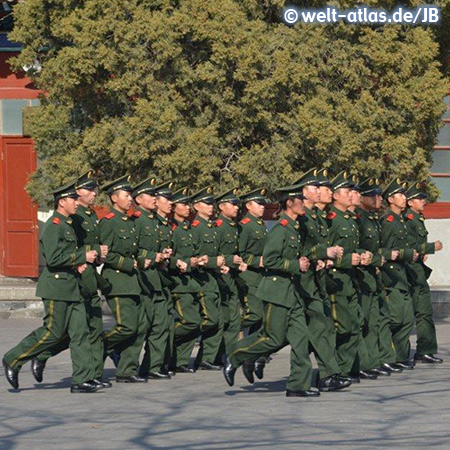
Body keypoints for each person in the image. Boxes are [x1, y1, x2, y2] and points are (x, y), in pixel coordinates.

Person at [3, 181, 101, 393]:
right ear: (62, 201)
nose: (77, 203)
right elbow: (54, 258)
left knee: (80, 332)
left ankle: (82, 379)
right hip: (56, 287)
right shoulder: (54, 225)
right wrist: (82, 256)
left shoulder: (68, 224)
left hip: (72, 286)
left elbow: (67, 255)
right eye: (73, 199)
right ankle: (13, 359)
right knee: (53, 333)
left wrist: (80, 261)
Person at [223, 182, 319, 398]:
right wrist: (295, 265)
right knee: (273, 338)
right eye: (300, 200)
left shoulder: (294, 228)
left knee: (301, 338)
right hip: (276, 291)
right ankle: (234, 356)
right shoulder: (280, 229)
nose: (304, 203)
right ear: (290, 203)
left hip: (292, 293)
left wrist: (304, 259)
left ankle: (297, 385)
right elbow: (270, 259)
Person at [31, 170, 112, 389]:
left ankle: (91, 375)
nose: (93, 194)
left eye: (94, 190)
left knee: (91, 330)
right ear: (75, 194)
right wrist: (92, 251)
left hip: (87, 275)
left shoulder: (91, 215)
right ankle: (41, 354)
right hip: (74, 276)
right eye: (88, 190)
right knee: (71, 331)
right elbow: (71, 249)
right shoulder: (73, 218)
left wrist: (98, 254)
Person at [296, 169, 351, 391]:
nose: (321, 192)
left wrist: (323, 258)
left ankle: (329, 375)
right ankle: (250, 355)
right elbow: (298, 249)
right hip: (304, 281)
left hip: (318, 279)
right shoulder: (302, 218)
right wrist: (318, 255)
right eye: (317, 188)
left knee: (322, 328)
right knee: (287, 333)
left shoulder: (318, 217)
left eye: (323, 188)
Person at [100, 175, 148, 383]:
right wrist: (128, 264)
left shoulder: (129, 222)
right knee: (127, 326)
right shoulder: (108, 222)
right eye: (127, 196)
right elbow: (105, 254)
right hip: (117, 281)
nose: (130, 200)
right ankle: (98, 346)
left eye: (131, 196)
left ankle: (127, 370)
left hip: (133, 282)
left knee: (139, 328)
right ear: (114, 198)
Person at [356, 177, 400, 374]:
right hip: (361, 275)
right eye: (373, 195)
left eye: (378, 194)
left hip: (373, 274)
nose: (377, 198)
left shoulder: (371, 219)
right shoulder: (357, 219)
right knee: (364, 321)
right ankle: (364, 363)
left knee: (376, 319)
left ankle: (375, 360)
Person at [132, 178, 173, 379]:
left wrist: (163, 256)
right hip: (142, 279)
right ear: (139, 199)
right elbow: (132, 251)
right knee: (142, 327)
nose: (155, 199)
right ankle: (126, 364)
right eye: (151, 196)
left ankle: (152, 366)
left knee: (160, 325)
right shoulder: (137, 221)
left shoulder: (154, 221)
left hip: (156, 278)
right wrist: (149, 257)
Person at [325, 171, 363, 383]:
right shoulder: (332, 220)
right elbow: (327, 255)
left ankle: (346, 369)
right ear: (336, 196)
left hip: (350, 280)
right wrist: (349, 260)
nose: (351, 195)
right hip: (335, 280)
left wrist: (361, 256)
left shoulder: (348, 219)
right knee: (341, 327)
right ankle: (334, 369)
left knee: (354, 325)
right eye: (346, 192)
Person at [380, 178, 418, 371]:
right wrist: (402, 254)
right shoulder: (387, 221)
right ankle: (387, 356)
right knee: (394, 319)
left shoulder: (401, 220)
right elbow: (383, 249)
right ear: (390, 200)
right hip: (390, 276)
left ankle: (400, 356)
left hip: (402, 275)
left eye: (404, 195)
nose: (404, 198)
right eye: (400, 195)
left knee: (407, 319)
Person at [404, 182, 444, 364]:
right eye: (419, 199)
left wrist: (423, 253)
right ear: (410, 202)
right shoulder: (407, 219)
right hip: (408, 272)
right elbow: (406, 246)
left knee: (425, 312)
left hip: (418, 270)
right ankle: (399, 354)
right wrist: (430, 247)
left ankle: (425, 349)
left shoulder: (417, 218)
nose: (423, 201)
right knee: (405, 315)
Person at [190, 187, 225, 370]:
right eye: (207, 203)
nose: (211, 207)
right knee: (209, 319)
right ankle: (176, 343)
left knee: (217, 320)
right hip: (201, 278)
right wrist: (213, 261)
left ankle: (206, 358)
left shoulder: (211, 227)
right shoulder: (195, 228)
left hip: (212, 278)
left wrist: (221, 263)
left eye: (212, 203)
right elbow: (194, 256)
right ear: (196, 206)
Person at [169, 187, 204, 372]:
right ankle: (164, 338)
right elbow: (170, 257)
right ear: (174, 207)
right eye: (183, 204)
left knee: (196, 323)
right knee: (190, 321)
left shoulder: (189, 229)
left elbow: (194, 253)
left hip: (192, 281)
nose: (188, 208)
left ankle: (180, 361)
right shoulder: (171, 229)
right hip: (178, 283)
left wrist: (199, 260)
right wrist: (183, 262)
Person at [237, 188, 268, 378]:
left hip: (261, 278)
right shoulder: (245, 226)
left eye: (264, 204)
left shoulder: (261, 224)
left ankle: (254, 355)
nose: (263, 207)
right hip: (248, 277)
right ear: (249, 206)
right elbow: (240, 255)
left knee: (263, 318)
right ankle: (232, 333)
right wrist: (258, 261)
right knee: (255, 315)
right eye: (259, 203)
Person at [213, 188, 245, 365]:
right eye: (232, 205)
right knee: (225, 317)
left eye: (236, 205)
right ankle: (219, 354)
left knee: (233, 318)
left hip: (233, 276)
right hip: (221, 276)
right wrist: (227, 261)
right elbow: (212, 253)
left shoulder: (235, 227)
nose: (236, 208)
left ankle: (229, 354)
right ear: (222, 206)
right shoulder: (218, 227)